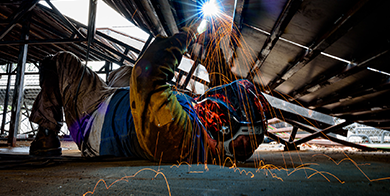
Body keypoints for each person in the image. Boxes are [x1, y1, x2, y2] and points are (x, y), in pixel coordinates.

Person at [29, 22, 270, 163]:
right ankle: (113, 85)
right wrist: (214, 49)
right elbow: (218, 87)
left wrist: (190, 34)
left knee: (60, 62)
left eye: (219, 109)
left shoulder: (180, 134)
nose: (212, 105)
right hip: (123, 106)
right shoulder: (206, 136)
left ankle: (46, 135)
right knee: (124, 70)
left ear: (227, 127)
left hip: (95, 122)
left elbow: (148, 74)